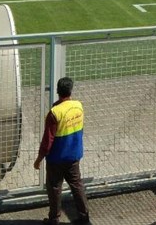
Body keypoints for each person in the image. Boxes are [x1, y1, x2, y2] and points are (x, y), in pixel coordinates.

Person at [34, 77, 90, 225]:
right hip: (74, 156)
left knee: (54, 188)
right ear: (70, 90)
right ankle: (84, 217)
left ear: (57, 91)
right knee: (77, 185)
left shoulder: (54, 113)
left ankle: (54, 219)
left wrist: (39, 159)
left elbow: (48, 141)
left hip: (56, 159)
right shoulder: (79, 106)